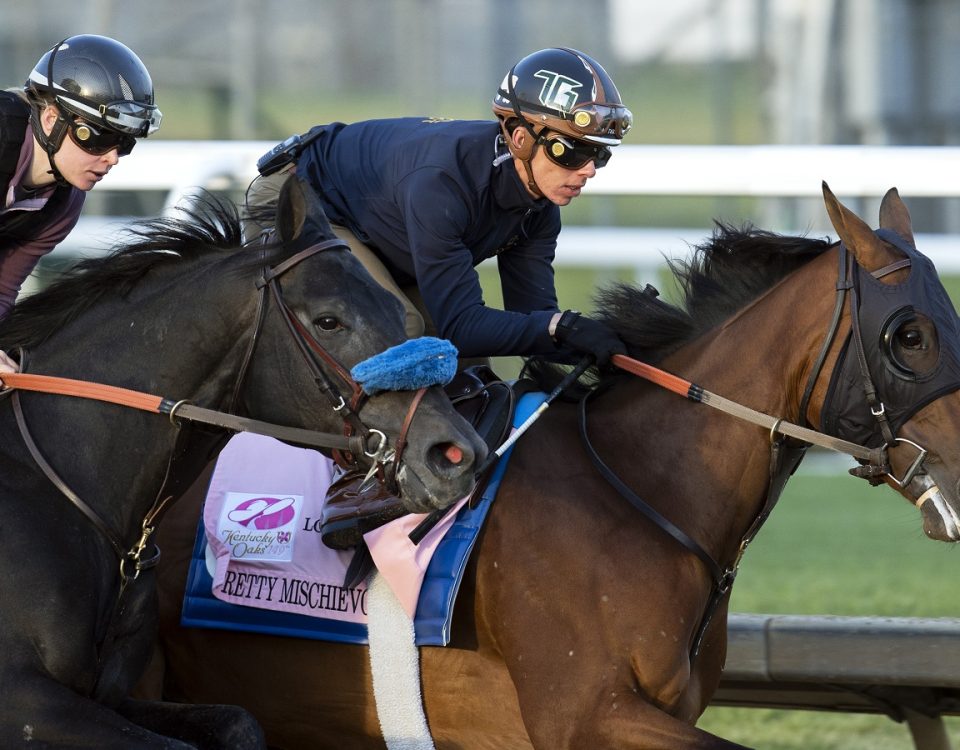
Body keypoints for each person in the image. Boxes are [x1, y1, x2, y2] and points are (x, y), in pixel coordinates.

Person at [246, 46, 633, 544]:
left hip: (382, 225)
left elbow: (532, 319)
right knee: (406, 331)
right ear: (519, 137)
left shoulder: (538, 210)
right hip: (301, 199)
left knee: (468, 361)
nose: (588, 170)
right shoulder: (443, 184)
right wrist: (560, 328)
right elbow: (463, 322)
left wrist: (595, 341)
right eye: (571, 152)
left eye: (597, 154)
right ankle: (355, 484)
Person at [0, 34, 162, 375]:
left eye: (124, 143)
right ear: (50, 119)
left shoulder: (64, 206)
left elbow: (2, 288)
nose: (113, 158)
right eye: (99, 137)